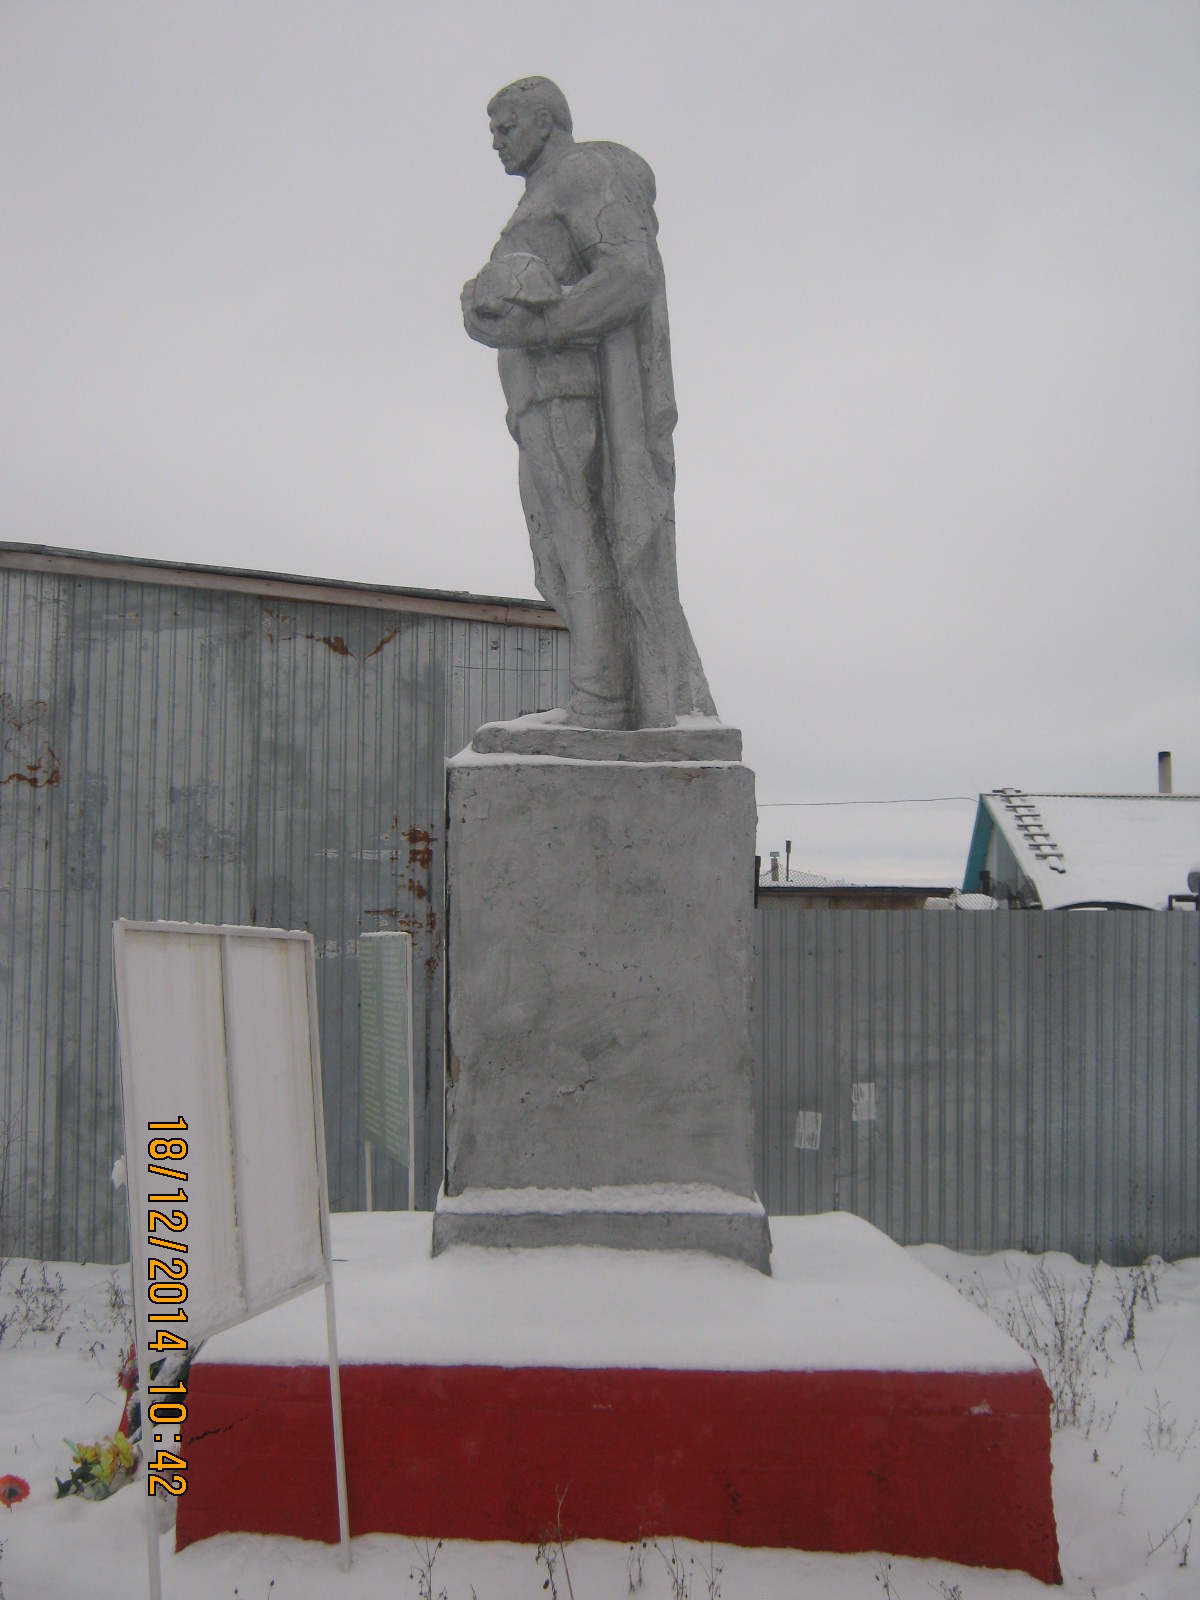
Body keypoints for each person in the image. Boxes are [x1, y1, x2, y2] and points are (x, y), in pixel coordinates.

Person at [461, 76, 716, 731]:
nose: (496, 141)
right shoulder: (541, 194)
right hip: (537, 401)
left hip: (568, 395)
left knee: (581, 542)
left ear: (546, 121)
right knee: (560, 552)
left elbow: (631, 274)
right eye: (493, 130)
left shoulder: (579, 174)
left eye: (506, 126)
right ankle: (610, 691)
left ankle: (603, 700)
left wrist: (541, 327)